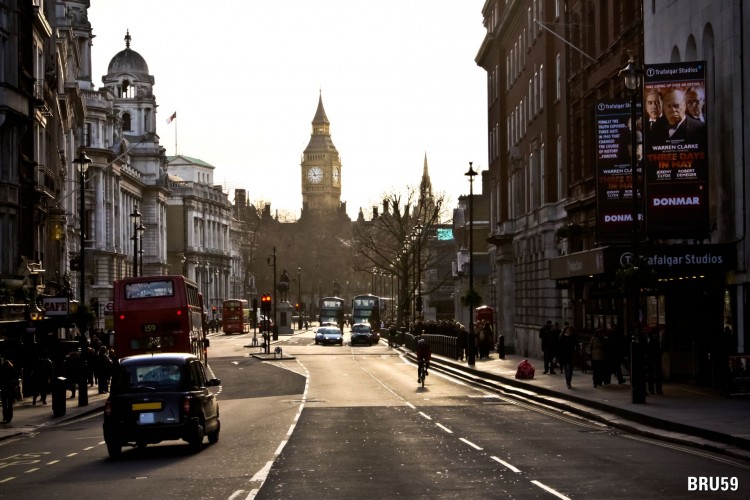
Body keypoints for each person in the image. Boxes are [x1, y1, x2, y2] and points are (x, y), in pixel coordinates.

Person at [557, 323, 578, 389]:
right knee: (567, 369)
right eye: (567, 330)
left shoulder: (573, 337)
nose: (569, 331)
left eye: (569, 330)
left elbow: (576, 345)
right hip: (565, 355)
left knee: (570, 370)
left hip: (571, 354)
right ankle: (568, 382)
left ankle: (569, 381)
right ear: (565, 330)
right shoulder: (562, 337)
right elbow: (559, 347)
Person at [0, 358, 17, 423]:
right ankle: (9, 417)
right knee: (10, 404)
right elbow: (15, 379)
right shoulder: (12, 370)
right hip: (10, 388)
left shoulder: (2, 370)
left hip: (4, 388)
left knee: (4, 404)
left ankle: (5, 416)